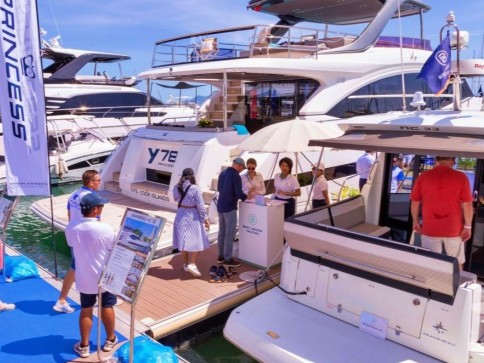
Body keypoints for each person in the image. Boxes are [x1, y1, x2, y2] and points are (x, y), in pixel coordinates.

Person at [65, 192, 117, 358]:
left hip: (84, 278)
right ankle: (110, 339)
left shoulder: (71, 228)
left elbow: (72, 245)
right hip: (104, 278)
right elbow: (113, 248)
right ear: (95, 210)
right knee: (107, 306)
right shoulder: (106, 229)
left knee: (86, 310)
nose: (102, 208)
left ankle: (84, 346)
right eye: (101, 206)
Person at [410, 156, 473, 270]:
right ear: (452, 161)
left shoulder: (423, 176)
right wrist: (467, 226)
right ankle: (456, 286)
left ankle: (432, 286)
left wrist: (415, 222)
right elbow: (467, 204)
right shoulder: (461, 177)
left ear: (436, 161)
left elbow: (415, 202)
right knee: (456, 262)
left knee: (431, 262)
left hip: (430, 228)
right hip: (454, 229)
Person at [53, 170, 102, 314]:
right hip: (87, 237)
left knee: (75, 268)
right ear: (91, 182)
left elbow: (69, 216)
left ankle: (62, 299)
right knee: (93, 266)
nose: (100, 182)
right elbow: (96, 219)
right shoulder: (93, 197)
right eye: (98, 180)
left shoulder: (74, 194)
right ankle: (62, 300)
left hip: (75, 235)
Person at [173, 168, 210, 277]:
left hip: (180, 214)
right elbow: (201, 206)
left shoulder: (176, 187)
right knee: (196, 240)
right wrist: (205, 219)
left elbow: (175, 199)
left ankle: (185, 264)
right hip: (192, 215)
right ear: (192, 176)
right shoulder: (195, 188)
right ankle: (192, 264)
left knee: (183, 241)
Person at [217, 157, 250, 267]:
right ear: (239, 165)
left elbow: (219, 189)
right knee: (229, 234)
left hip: (220, 205)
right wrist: (247, 197)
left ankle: (220, 257)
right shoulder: (236, 176)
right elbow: (239, 193)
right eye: (242, 168)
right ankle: (227, 259)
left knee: (222, 231)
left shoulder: (223, 173)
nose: (242, 170)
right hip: (230, 207)